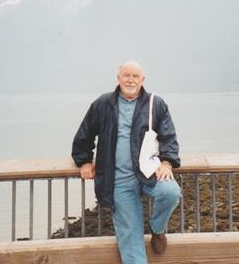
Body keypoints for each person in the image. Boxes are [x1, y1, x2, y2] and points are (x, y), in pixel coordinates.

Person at [72, 60, 181, 264]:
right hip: (119, 180)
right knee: (131, 240)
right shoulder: (102, 104)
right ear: (118, 78)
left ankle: (157, 229)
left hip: (150, 172)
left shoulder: (155, 104)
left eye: (135, 76)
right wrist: (84, 161)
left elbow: (169, 137)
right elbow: (84, 135)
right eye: (126, 75)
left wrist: (167, 163)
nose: (130, 80)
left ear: (142, 80)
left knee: (171, 193)